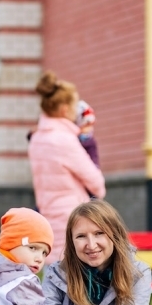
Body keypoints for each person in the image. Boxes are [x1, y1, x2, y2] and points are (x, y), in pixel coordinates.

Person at [28, 70, 106, 264]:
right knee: (72, 271)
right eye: (74, 105)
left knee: (53, 267)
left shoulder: (37, 139)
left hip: (47, 211)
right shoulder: (64, 140)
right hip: (72, 215)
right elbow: (96, 182)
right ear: (64, 109)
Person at [75, 98, 100, 168]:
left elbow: (94, 158)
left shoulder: (90, 141)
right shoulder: (73, 141)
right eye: (87, 125)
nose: (90, 129)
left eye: (92, 124)